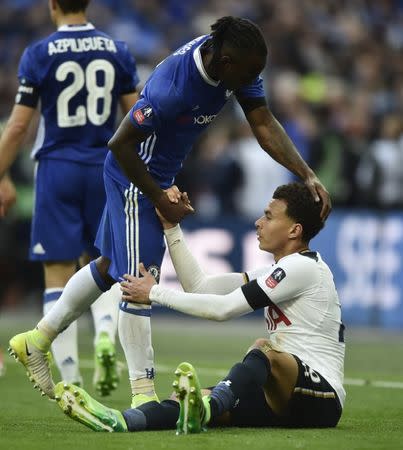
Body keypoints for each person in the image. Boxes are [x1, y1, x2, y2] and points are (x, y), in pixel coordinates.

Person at [9, 16, 331, 407]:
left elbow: (262, 123)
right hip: (134, 178)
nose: (253, 80)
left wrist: (307, 173)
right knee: (139, 282)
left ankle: (36, 340)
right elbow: (120, 145)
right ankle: (143, 396)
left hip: (158, 177)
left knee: (110, 267)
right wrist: (158, 196)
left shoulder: (232, 62)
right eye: (249, 73)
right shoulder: (173, 88)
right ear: (226, 63)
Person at [53, 182, 344, 432]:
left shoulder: (302, 268)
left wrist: (153, 292)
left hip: (322, 397)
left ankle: (211, 406)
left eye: (268, 216)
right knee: (185, 398)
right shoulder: (276, 271)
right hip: (280, 396)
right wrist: (171, 226)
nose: (258, 222)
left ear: (294, 230)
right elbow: (200, 287)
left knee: (264, 349)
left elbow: (223, 310)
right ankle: (122, 420)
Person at [2, 0, 139, 395]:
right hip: (105, 167)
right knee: (104, 264)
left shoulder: (38, 53)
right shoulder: (117, 50)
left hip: (57, 169)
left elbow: (17, 128)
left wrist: (0, 174)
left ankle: (70, 380)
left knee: (58, 275)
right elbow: (136, 117)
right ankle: (105, 336)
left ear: (52, 5)